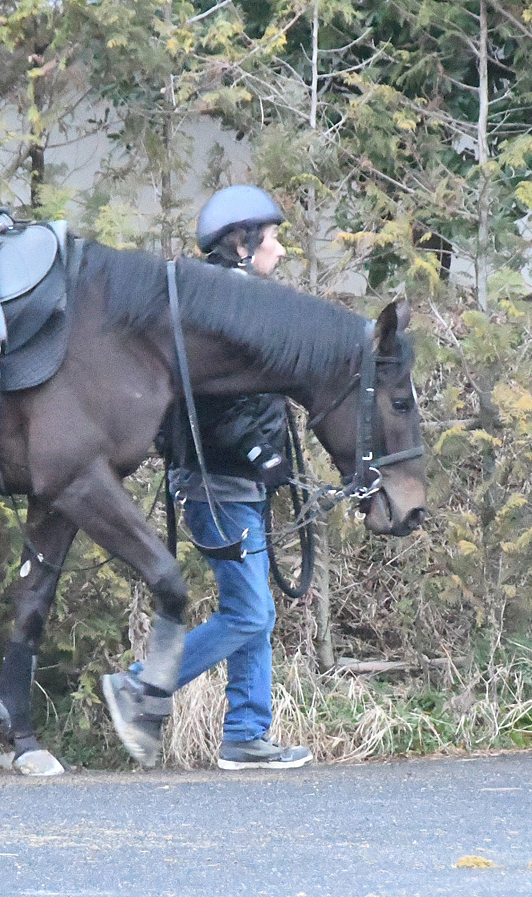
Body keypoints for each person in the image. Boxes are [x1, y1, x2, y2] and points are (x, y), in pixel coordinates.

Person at [101, 185, 313, 770]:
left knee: (257, 611)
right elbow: (211, 404)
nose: (281, 251)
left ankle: (247, 734)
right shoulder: (224, 308)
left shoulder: (227, 301)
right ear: (242, 243)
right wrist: (256, 452)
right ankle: (140, 686)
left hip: (235, 486)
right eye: (273, 239)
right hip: (218, 489)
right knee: (249, 613)